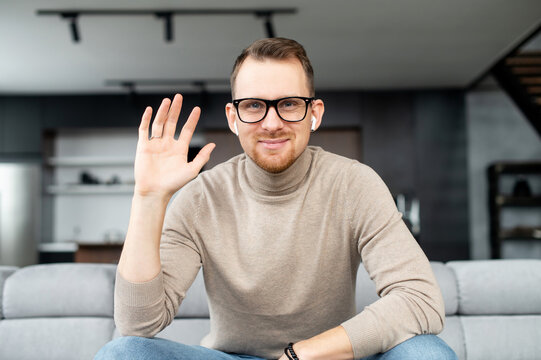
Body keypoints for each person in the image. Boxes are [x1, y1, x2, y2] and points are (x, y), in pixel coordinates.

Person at [95, 38, 457, 360]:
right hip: (233, 357)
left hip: (327, 357)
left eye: (288, 103)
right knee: (121, 354)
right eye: (253, 105)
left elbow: (421, 300)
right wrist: (148, 198)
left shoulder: (354, 184)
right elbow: (137, 324)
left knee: (428, 353)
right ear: (233, 117)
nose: (271, 123)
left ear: (314, 113)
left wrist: (300, 355)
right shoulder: (200, 198)